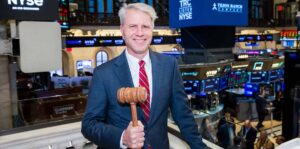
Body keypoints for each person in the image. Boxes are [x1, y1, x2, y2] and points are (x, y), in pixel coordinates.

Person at [81, 3, 208, 149]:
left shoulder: (169, 66)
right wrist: (123, 137)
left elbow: (183, 116)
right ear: (122, 30)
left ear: (152, 30)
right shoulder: (103, 73)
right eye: (133, 26)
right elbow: (89, 125)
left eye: (145, 27)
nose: (140, 33)